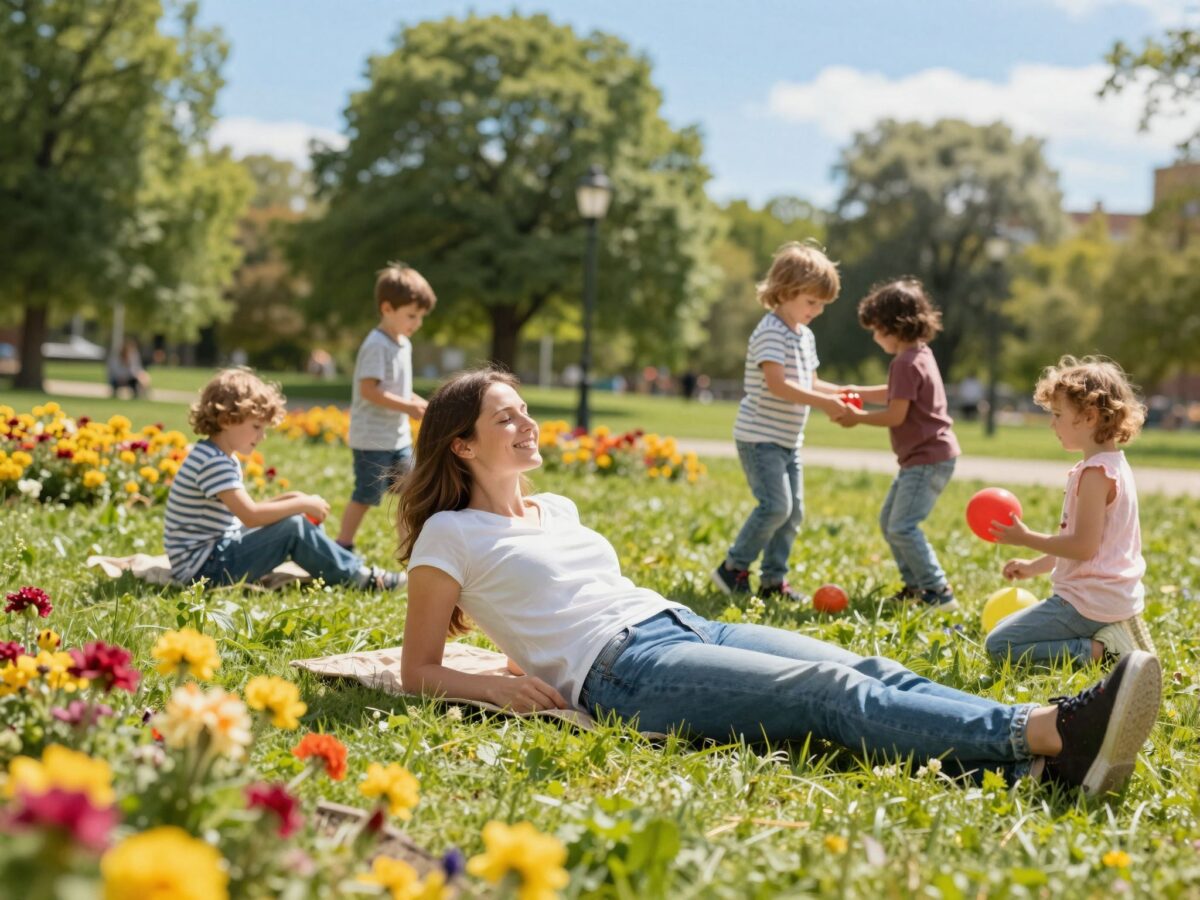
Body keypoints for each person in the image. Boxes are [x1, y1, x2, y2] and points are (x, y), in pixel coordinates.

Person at [397, 368, 1161, 796]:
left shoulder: (556, 507)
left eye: (526, 410)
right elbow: (418, 670)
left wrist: (525, 649)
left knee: (866, 666)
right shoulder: (450, 535)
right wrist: (495, 687)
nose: (529, 424)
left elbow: (550, 603)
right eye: (507, 418)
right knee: (824, 694)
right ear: (461, 445)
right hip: (625, 671)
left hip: (682, 625)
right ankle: (1047, 730)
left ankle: (1041, 758)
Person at [164, 368, 403, 590]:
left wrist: (292, 500)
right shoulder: (214, 462)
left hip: (213, 556)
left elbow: (243, 515)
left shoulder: (215, 455)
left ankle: (341, 564)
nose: (262, 436)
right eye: (256, 426)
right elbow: (251, 516)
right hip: (205, 571)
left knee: (294, 511)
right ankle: (361, 578)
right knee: (293, 527)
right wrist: (301, 504)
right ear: (226, 420)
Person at [986, 356, 1157, 664]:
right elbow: (1085, 546)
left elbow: (1082, 547)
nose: (1052, 424)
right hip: (1106, 598)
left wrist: (1025, 537)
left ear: (1089, 416)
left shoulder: (1095, 475)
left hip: (1089, 603)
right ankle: (1107, 634)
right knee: (1003, 627)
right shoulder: (1113, 465)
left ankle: (1103, 652)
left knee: (999, 646)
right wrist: (1033, 567)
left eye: (1057, 415)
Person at [712, 242, 850, 601]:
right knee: (775, 507)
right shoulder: (771, 330)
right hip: (760, 438)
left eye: (822, 304)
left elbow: (812, 382)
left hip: (789, 441)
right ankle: (732, 568)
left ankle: (773, 581)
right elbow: (778, 384)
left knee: (792, 513)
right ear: (786, 291)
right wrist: (825, 403)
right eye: (811, 302)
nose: (817, 310)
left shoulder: (805, 335)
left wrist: (848, 394)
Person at [836, 280, 961, 609]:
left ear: (894, 326)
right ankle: (915, 586)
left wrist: (857, 417)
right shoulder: (920, 355)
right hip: (928, 457)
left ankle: (937, 590)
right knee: (891, 522)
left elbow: (895, 414)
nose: (875, 338)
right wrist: (858, 392)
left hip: (926, 459)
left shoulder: (904, 363)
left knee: (902, 526)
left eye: (877, 330)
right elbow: (896, 392)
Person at [335, 262, 436, 551]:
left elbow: (397, 389)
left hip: (397, 438)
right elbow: (369, 390)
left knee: (411, 492)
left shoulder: (403, 344)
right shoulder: (377, 344)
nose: (417, 323)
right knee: (366, 495)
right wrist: (408, 408)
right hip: (372, 439)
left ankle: (408, 549)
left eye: (421, 317)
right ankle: (343, 544)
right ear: (387, 309)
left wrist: (418, 403)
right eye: (412, 316)